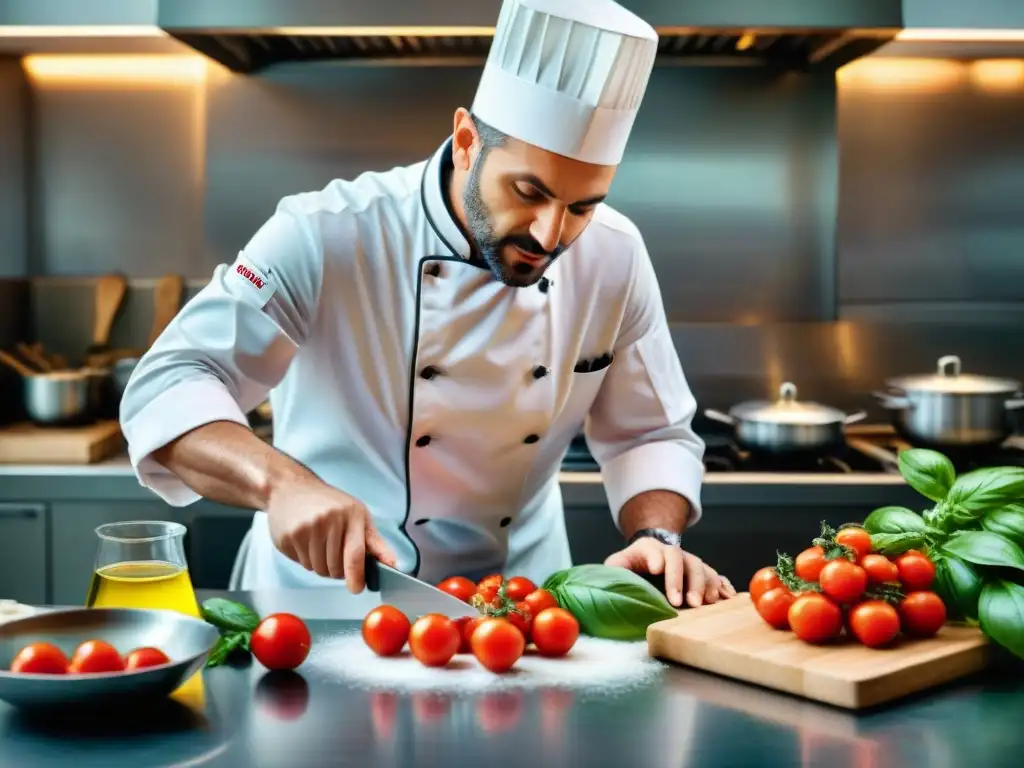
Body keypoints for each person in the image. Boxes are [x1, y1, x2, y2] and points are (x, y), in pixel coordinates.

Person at [119, 0, 737, 609]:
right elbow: (168, 384)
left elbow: (650, 432)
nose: (550, 236)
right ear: (467, 140)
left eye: (582, 206)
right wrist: (283, 486)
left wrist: (657, 536)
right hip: (326, 606)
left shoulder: (614, 255)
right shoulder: (328, 232)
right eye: (529, 192)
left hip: (518, 613)